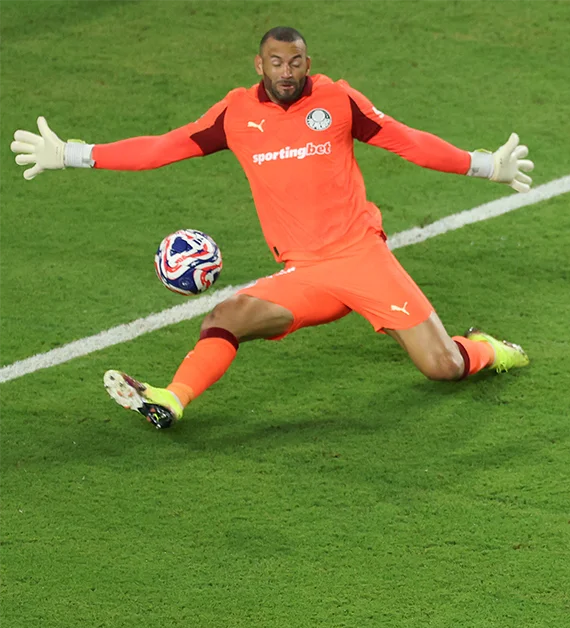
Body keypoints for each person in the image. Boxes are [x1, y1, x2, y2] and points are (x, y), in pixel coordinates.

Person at [9, 26, 533, 429]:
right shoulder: (235, 114)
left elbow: (408, 141)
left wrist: (485, 165)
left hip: (362, 257)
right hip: (304, 273)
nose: (287, 71)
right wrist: (72, 153)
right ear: (259, 65)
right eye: (277, 62)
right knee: (227, 316)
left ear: (308, 64)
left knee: (442, 366)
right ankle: (171, 398)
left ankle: (487, 348)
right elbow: (161, 148)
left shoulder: (337, 100)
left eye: (296, 62)